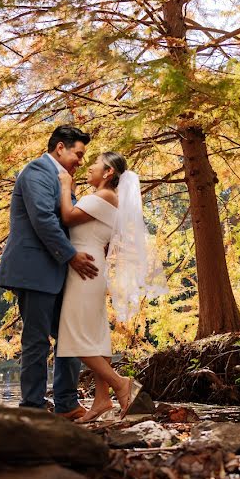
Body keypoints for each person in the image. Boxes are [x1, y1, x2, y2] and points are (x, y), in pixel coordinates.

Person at [0, 125, 98, 420]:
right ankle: (33, 407)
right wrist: (71, 256)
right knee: (38, 340)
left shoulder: (62, 179)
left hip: (56, 271)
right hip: (34, 270)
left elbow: (71, 218)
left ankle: (66, 404)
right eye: (78, 154)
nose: (80, 160)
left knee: (70, 336)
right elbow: (42, 218)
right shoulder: (37, 172)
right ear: (60, 148)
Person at [56, 152, 167, 422]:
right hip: (92, 265)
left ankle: (120, 384)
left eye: (95, 164)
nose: (89, 168)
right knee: (95, 336)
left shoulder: (105, 196)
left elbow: (68, 217)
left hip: (83, 268)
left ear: (107, 173)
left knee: (74, 338)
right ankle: (102, 400)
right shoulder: (109, 200)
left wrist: (65, 185)